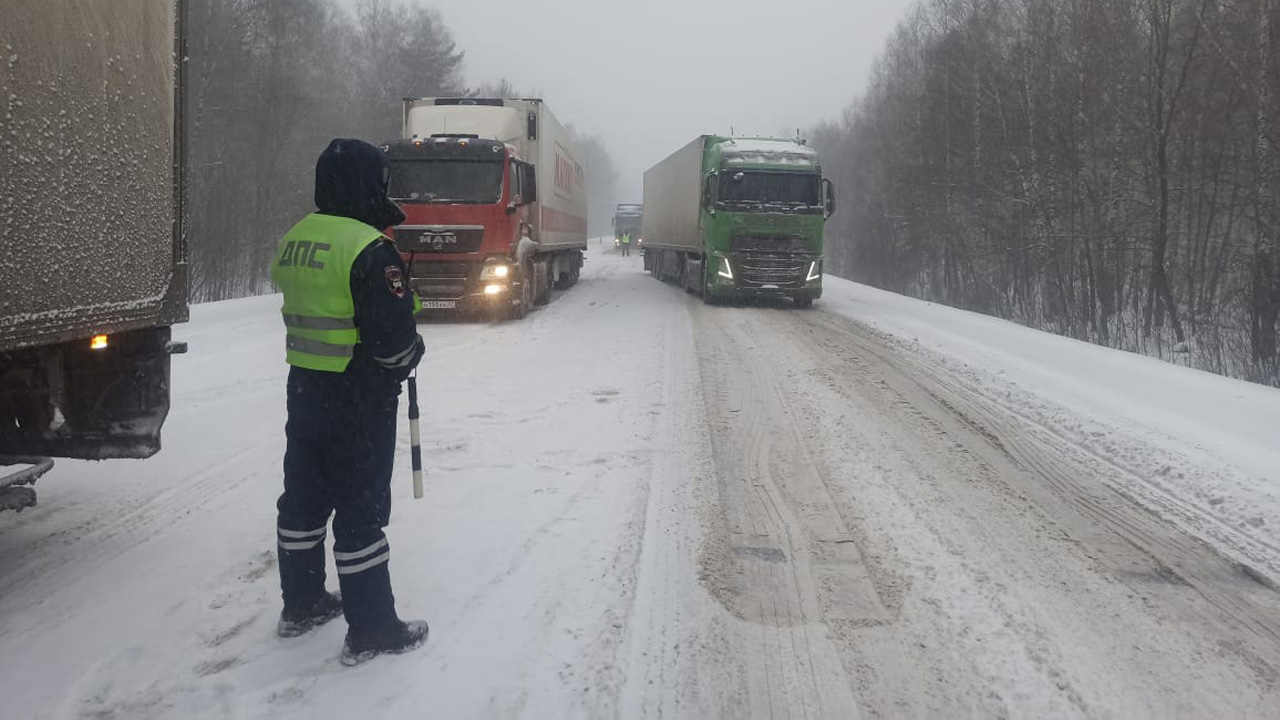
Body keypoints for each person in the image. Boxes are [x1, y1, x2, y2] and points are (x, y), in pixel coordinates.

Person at [269, 138, 428, 666]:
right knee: (361, 510)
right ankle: (373, 628)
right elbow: (394, 344)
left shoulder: (296, 238)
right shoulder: (370, 248)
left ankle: (303, 602)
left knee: (303, 500)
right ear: (366, 183)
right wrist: (412, 351)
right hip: (358, 398)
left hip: (305, 391)